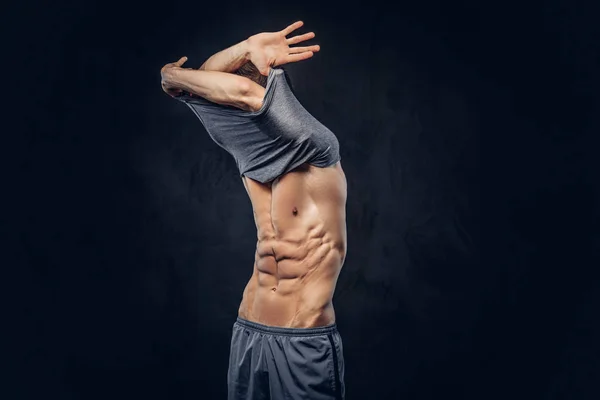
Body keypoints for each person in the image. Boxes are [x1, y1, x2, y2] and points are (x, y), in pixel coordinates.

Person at [160, 20, 347, 400]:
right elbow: (216, 85)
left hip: (302, 339)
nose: (224, 101)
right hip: (249, 329)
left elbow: (243, 90)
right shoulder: (251, 154)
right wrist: (246, 48)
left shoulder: (317, 146)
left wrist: (170, 74)